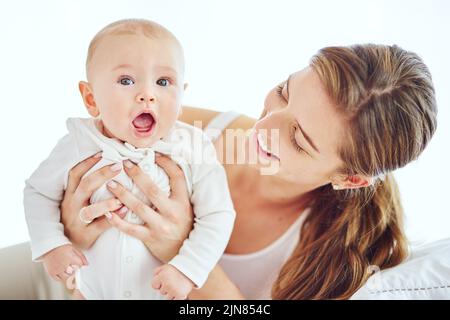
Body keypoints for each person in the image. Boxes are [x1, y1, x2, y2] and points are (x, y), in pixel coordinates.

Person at [22, 19, 236, 300]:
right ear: (91, 98)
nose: (147, 95)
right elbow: (38, 192)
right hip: (91, 292)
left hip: (160, 292)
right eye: (126, 81)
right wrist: (52, 245)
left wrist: (187, 269)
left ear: (181, 96)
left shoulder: (193, 147)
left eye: (163, 82)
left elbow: (218, 216)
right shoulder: (79, 142)